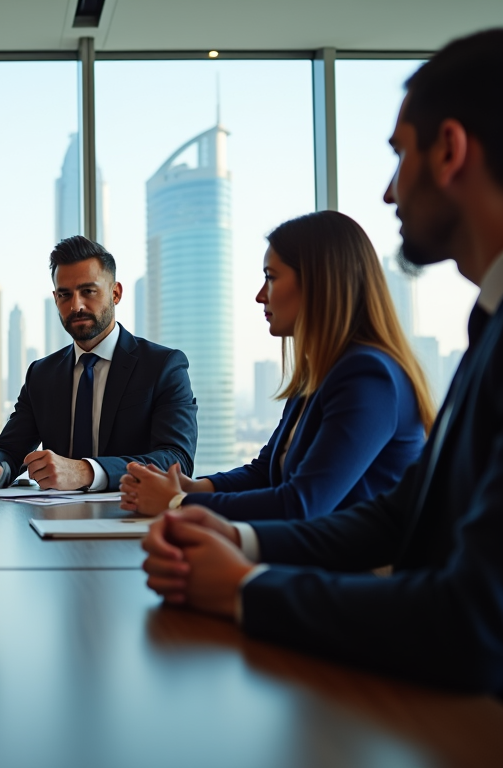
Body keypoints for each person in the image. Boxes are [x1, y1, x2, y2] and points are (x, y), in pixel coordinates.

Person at [141, 28, 503, 694]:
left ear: (449, 150)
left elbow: (476, 618)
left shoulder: (371, 373)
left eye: (400, 156)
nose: (391, 193)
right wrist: (235, 541)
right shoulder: (486, 326)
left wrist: (246, 587)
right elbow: (402, 516)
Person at [119, 211, 434, 522]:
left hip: (362, 569)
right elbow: (266, 472)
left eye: (271, 277)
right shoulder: (320, 374)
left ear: (317, 282)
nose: (259, 296)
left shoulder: (368, 377)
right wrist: (196, 487)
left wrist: (178, 502)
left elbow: (301, 505)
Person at [0, 236, 198, 492]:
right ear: (55, 299)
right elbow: (10, 449)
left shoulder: (163, 366)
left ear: (115, 293)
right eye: (65, 294)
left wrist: (86, 471)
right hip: (51, 522)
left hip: (131, 518)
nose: (76, 306)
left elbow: (177, 461)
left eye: (88, 291)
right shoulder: (42, 374)